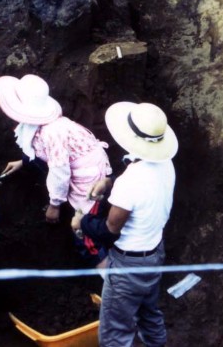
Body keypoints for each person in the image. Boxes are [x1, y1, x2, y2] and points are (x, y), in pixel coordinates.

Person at [72, 102, 177, 347]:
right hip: (154, 253)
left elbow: (110, 230)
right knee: (149, 313)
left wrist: (82, 222)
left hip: (128, 265)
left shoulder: (130, 182)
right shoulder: (166, 164)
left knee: (114, 334)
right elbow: (142, 180)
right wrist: (109, 182)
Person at [0, 74, 112, 238]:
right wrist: (24, 162)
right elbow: (41, 152)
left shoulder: (51, 133)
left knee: (84, 223)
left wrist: (54, 206)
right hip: (71, 162)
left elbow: (60, 170)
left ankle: (88, 239)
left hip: (88, 175)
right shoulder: (35, 126)